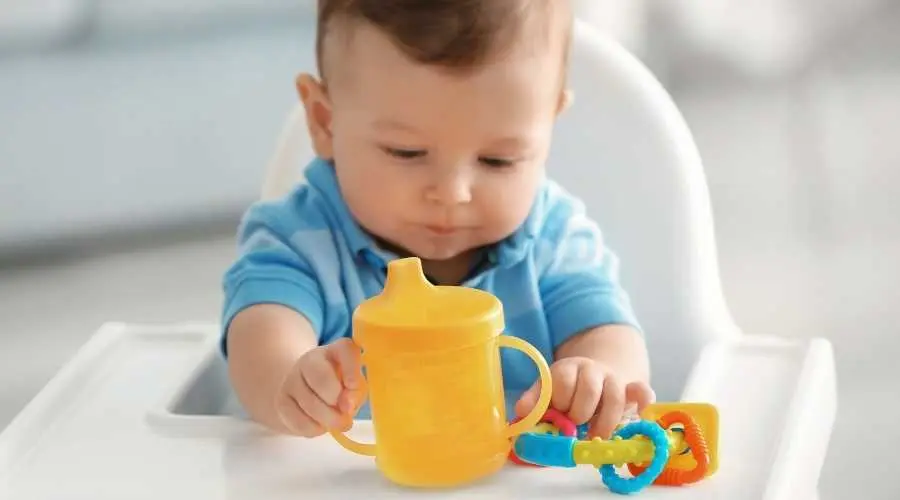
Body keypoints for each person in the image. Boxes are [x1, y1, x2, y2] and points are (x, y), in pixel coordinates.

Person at [221, 0, 654, 442]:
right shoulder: (297, 238)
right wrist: (291, 384)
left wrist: (597, 378)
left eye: (497, 160)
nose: (452, 193)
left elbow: (607, 332)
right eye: (406, 152)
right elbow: (260, 339)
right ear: (325, 122)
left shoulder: (554, 238)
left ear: (547, 129)